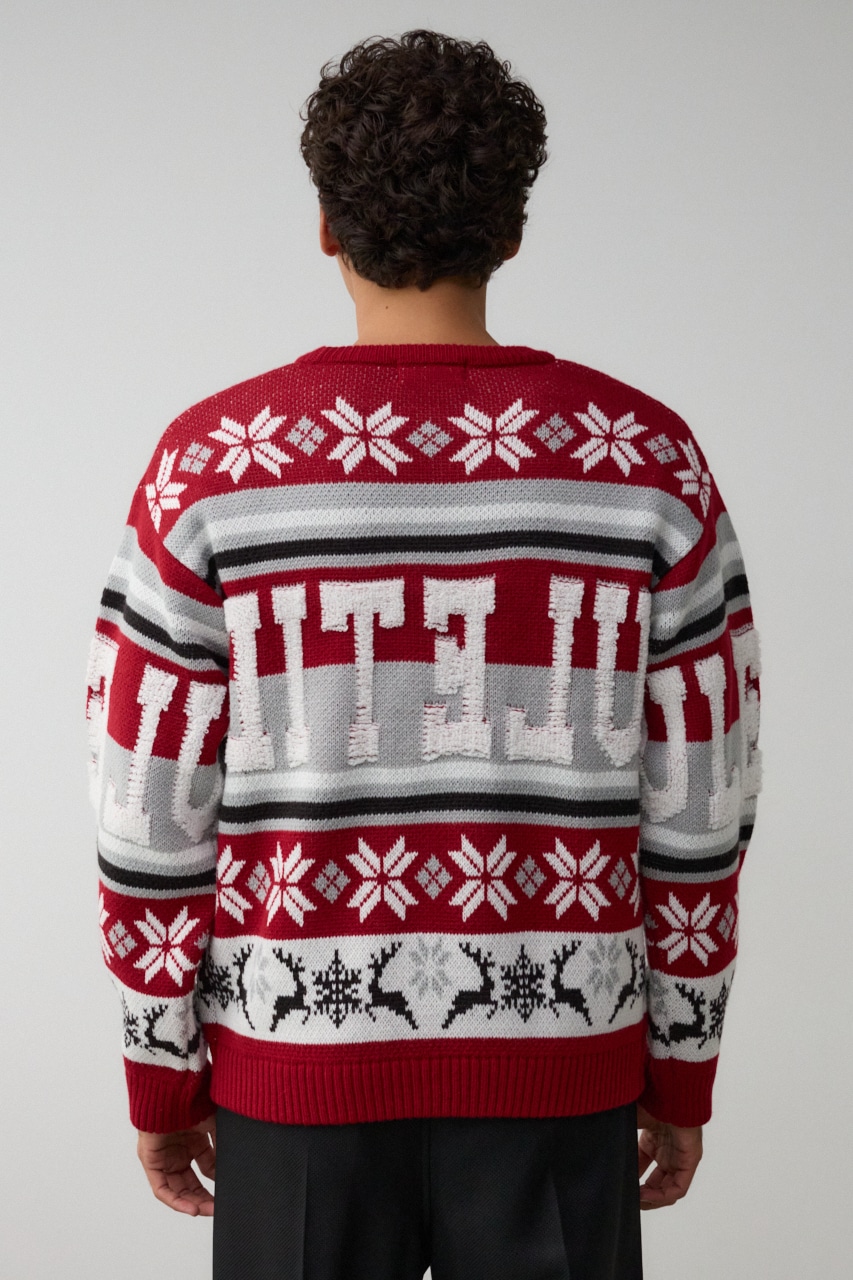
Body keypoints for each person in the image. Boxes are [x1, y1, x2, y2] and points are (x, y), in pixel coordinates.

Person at [87, 29, 761, 1280]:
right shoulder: (645, 463)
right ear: (512, 230)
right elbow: (704, 805)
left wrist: (160, 1072)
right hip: (563, 1064)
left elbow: (146, 809)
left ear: (325, 227)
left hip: (296, 1071)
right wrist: (681, 1063)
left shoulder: (211, 472)